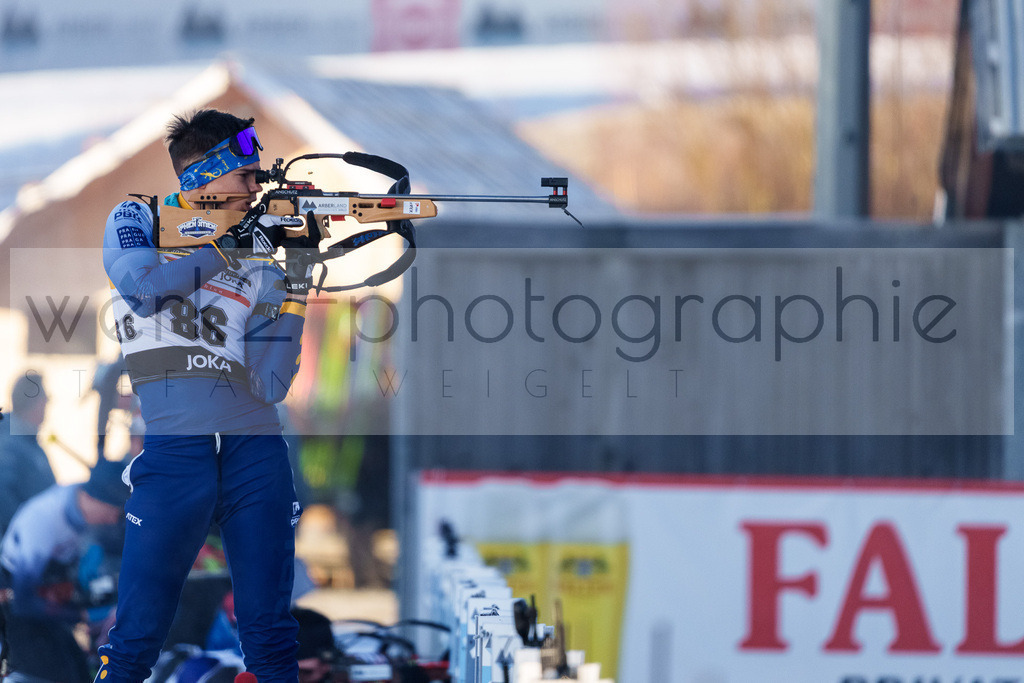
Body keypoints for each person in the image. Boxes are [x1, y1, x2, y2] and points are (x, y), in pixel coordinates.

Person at [96, 109, 316, 682]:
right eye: (246, 175)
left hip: (255, 448)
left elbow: (270, 384)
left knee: (270, 635)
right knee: (136, 637)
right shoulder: (139, 218)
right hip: (176, 449)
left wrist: (296, 280)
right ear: (205, 174)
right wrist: (229, 247)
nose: (257, 188)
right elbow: (144, 292)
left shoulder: (260, 259)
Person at [0, 458, 129, 683]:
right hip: (16, 603)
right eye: (113, 511)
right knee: (59, 676)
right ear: (90, 498)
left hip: (50, 592)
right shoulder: (44, 519)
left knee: (81, 672)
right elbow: (23, 601)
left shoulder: (82, 505)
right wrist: (82, 615)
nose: (113, 520)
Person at [0, 373, 57, 538]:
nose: (48, 402)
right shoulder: (9, 445)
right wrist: (27, 534)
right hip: (21, 544)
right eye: (46, 397)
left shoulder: (28, 441)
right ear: (35, 402)